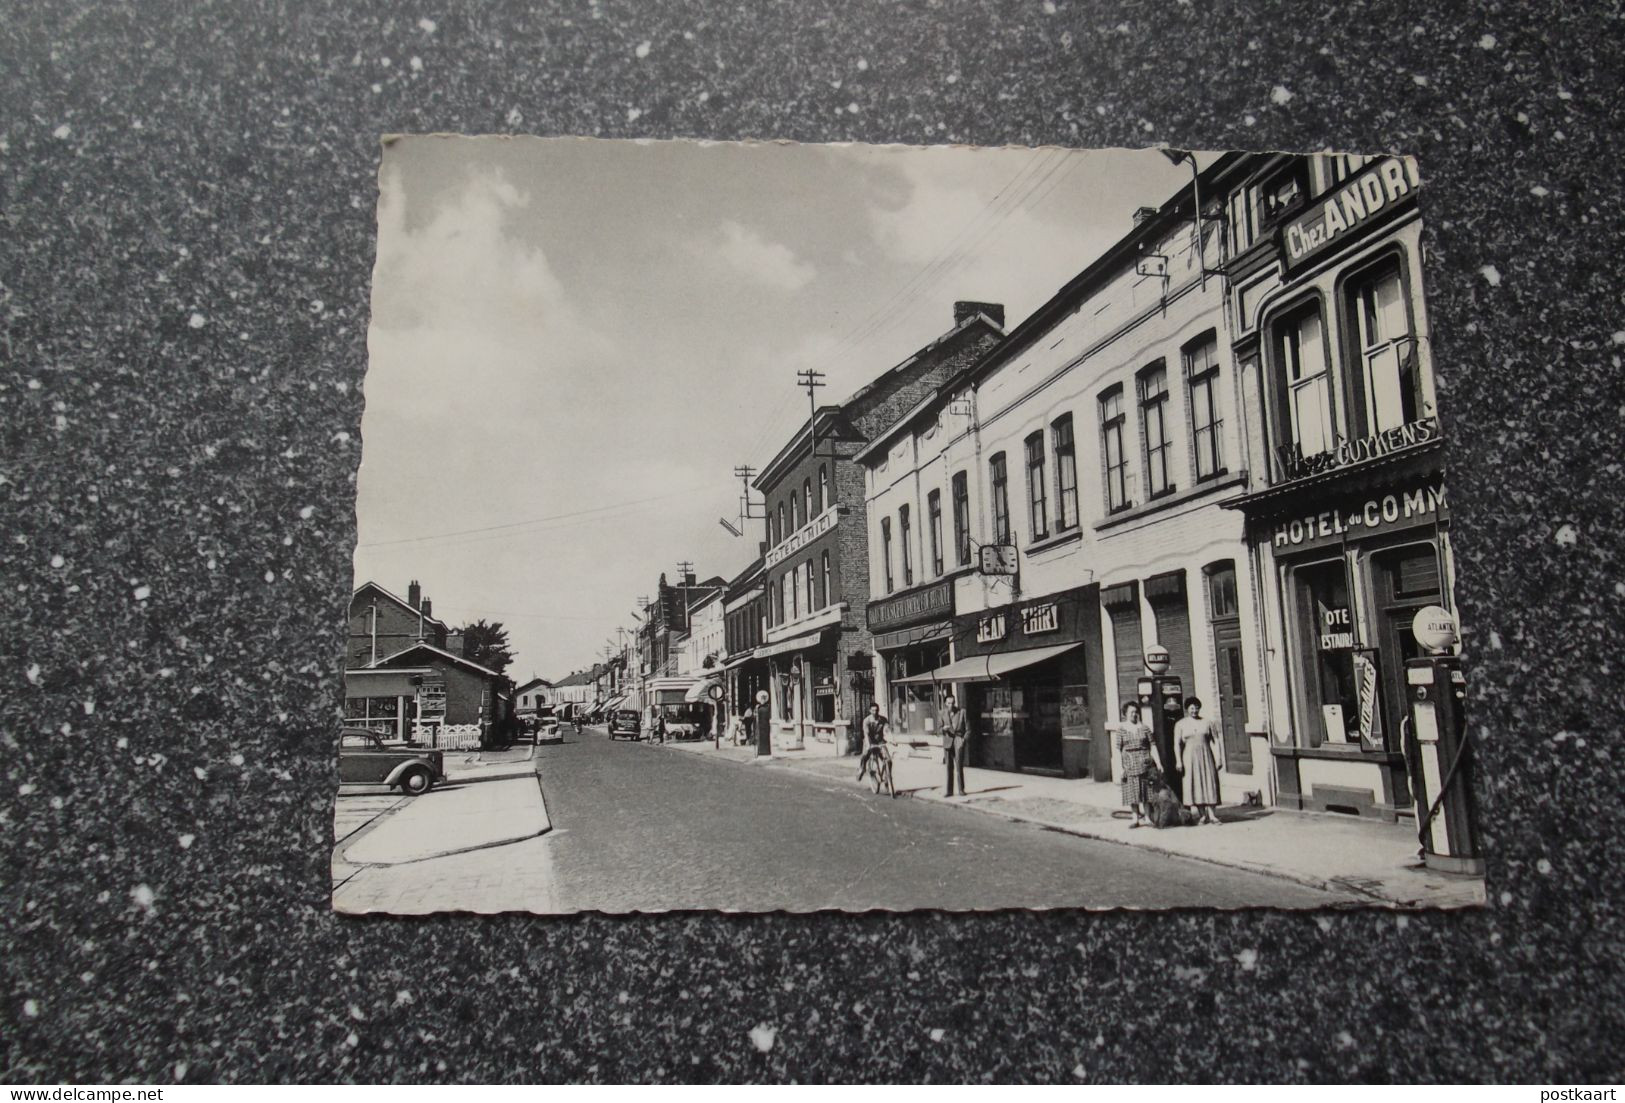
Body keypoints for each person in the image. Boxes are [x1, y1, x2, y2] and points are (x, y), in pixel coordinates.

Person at [1110, 700, 1163, 828]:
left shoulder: (1144, 728)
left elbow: (1153, 745)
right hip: (1129, 763)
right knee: (1132, 792)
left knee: (1146, 791)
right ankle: (1135, 818)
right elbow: (1117, 749)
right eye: (1131, 712)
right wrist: (1119, 767)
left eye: (1136, 712)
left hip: (1144, 762)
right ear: (1125, 714)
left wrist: (1158, 763)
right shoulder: (1121, 729)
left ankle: (1147, 817)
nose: (1134, 714)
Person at [1176, 696, 1224, 825]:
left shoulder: (1208, 722)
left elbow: (1216, 741)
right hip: (1189, 758)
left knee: (1210, 783)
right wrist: (1178, 761)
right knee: (1195, 784)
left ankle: (1213, 815)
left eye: (1196, 707)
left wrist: (1219, 757)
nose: (1194, 710)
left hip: (1206, 755)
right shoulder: (1181, 724)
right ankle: (1202, 815)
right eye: (1191, 708)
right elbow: (1177, 745)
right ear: (1187, 709)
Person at [939, 693, 969, 798]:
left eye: (952, 703)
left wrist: (963, 740)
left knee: (959, 766)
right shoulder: (942, 713)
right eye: (948, 703)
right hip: (947, 741)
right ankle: (949, 791)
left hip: (958, 740)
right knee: (948, 767)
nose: (950, 705)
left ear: (955, 703)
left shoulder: (962, 712)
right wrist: (943, 729)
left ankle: (961, 789)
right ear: (945, 703)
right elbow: (938, 729)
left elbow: (969, 729)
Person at [856, 703, 890, 783]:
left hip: (880, 741)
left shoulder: (883, 720)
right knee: (865, 755)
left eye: (877, 710)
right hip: (870, 741)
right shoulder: (866, 721)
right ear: (870, 711)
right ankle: (862, 769)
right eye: (873, 710)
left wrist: (892, 740)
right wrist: (868, 745)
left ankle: (888, 777)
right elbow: (866, 734)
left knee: (888, 760)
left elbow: (887, 731)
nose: (875, 712)